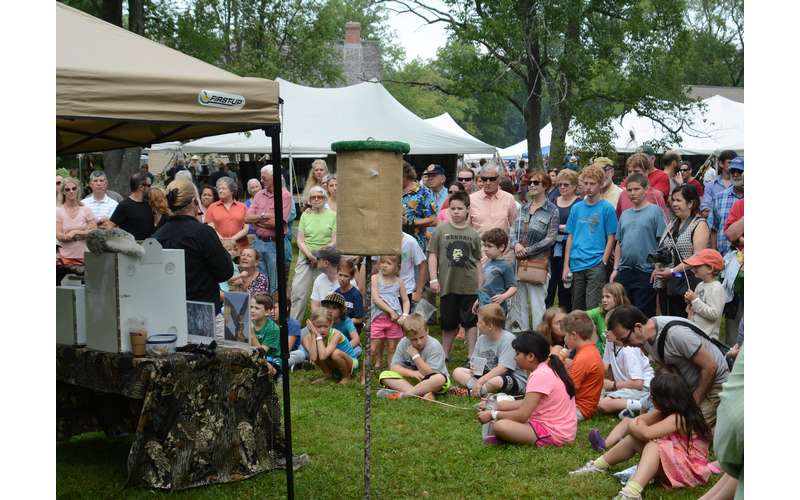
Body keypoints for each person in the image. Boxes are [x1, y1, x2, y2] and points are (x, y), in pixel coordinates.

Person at [571, 371, 715, 500]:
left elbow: (645, 432)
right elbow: (636, 424)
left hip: (688, 472)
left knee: (654, 445)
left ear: (665, 399)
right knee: (635, 439)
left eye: (653, 396)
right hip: (675, 464)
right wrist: (635, 425)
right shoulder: (663, 413)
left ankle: (633, 492)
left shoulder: (678, 418)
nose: (650, 398)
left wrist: (634, 425)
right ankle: (598, 465)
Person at [606, 305, 730, 428]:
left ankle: (722, 426)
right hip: (689, 387)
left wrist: (693, 405)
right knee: (664, 426)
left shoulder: (676, 334)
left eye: (626, 340)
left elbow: (711, 367)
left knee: (685, 432)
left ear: (638, 327)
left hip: (715, 385)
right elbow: (670, 370)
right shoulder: (646, 338)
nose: (625, 345)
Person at [153, 179, 233, 340]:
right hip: (202, 310)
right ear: (194, 201)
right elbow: (225, 272)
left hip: (169, 310)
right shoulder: (202, 233)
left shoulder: (158, 236)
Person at [475, 332, 577, 447]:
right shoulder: (546, 368)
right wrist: (495, 404)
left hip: (555, 433)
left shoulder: (540, 375)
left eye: (518, 354)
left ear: (530, 356)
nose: (515, 357)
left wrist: (492, 414)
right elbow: (527, 403)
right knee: (502, 410)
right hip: (560, 430)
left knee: (500, 426)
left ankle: (513, 437)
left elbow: (523, 415)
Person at [428, 191, 482, 357]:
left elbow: (478, 261)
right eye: (453, 208)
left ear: (467, 209)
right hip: (447, 285)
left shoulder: (473, 234)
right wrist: (433, 279)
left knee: (470, 322)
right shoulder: (440, 230)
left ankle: (471, 355)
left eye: (460, 208)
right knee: (448, 322)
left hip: (469, 286)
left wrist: (481, 286)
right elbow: (433, 254)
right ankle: (445, 353)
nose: (456, 211)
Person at [508, 169, 559, 332]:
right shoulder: (523, 208)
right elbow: (512, 230)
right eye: (529, 182)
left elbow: (551, 238)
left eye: (535, 183)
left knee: (538, 305)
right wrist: (515, 245)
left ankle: (540, 339)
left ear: (545, 186)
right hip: (518, 263)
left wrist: (527, 250)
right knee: (518, 303)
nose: (531, 185)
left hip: (539, 263)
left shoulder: (552, 210)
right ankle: (521, 337)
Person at [611, 172, 667, 317]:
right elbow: (619, 243)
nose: (632, 193)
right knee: (622, 313)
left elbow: (662, 242)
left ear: (646, 189)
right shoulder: (625, 214)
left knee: (641, 313)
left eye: (636, 189)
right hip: (625, 270)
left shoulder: (655, 211)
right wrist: (615, 268)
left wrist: (657, 266)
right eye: (629, 190)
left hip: (646, 271)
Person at [563, 165, 618, 311]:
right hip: (576, 262)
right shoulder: (576, 208)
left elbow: (611, 238)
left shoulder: (607, 208)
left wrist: (604, 262)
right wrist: (566, 265)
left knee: (593, 307)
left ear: (601, 184)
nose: (588, 187)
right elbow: (570, 236)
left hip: (596, 263)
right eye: (585, 183)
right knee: (577, 306)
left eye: (592, 183)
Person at [652, 184, 710, 317]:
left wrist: (673, 271)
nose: (674, 204)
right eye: (673, 200)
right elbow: (662, 249)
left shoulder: (699, 224)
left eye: (678, 200)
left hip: (686, 285)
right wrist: (657, 267)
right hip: (667, 285)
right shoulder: (672, 224)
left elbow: (697, 256)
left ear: (690, 203)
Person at [452, 304, 528, 397]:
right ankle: (483, 390)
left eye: (479, 322)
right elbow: (475, 361)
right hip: (488, 375)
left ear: (490, 326)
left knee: (496, 381)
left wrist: (481, 381)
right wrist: (473, 368)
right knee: (457, 371)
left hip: (510, 378)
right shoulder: (481, 339)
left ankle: (471, 392)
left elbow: (503, 368)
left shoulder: (508, 339)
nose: (477, 324)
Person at [376, 312, 451, 400]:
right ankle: (423, 394)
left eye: (422, 337)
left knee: (439, 379)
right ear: (407, 336)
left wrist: (415, 356)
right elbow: (394, 367)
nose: (419, 342)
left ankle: (404, 395)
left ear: (427, 331)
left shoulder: (434, 345)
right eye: (414, 339)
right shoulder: (403, 343)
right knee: (384, 375)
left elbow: (429, 374)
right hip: (412, 381)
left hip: (433, 381)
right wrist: (412, 373)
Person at [246, 164, 293, 294]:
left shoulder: (285, 196)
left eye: (264, 178)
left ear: (274, 178)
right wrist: (263, 216)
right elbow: (247, 218)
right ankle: (262, 309)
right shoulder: (259, 195)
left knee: (274, 284)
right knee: (260, 281)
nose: (261, 180)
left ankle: (272, 311)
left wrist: (257, 221)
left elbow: (277, 222)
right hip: (259, 243)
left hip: (275, 244)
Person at [597, 316, 655, 419]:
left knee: (603, 404)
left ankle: (647, 405)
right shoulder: (610, 342)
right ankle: (629, 409)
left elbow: (638, 383)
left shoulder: (629, 350)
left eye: (609, 329)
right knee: (596, 397)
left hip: (644, 389)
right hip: (626, 387)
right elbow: (605, 367)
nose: (606, 332)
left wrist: (613, 385)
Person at [558, 310, 605, 422]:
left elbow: (569, 389)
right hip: (582, 406)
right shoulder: (591, 350)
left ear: (573, 335)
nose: (563, 339)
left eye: (565, 335)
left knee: (537, 411)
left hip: (578, 409)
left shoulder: (584, 357)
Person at [546, 169, 581, 310]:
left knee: (565, 286)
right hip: (552, 247)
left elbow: (578, 227)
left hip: (570, 248)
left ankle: (565, 318)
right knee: (549, 285)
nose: (562, 188)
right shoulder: (553, 201)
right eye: (560, 185)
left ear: (574, 186)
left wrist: (561, 227)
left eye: (566, 185)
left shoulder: (578, 203)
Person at [469, 163, 518, 261]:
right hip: (479, 257)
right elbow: (467, 229)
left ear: (499, 179)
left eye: (492, 179)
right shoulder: (471, 199)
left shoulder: (509, 199)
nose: (487, 182)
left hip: (504, 257)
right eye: (484, 178)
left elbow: (515, 227)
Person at [370, 255, 411, 371]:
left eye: (388, 263)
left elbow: (406, 300)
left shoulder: (399, 282)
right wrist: (391, 311)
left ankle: (390, 373)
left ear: (397, 267)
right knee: (373, 348)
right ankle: (365, 375)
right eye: (382, 262)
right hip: (378, 319)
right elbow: (376, 299)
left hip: (394, 321)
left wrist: (405, 315)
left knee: (392, 348)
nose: (384, 265)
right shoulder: (375, 278)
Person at [303, 308, 358, 384]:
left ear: (331, 324)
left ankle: (346, 377)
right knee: (319, 350)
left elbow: (323, 356)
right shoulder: (312, 336)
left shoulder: (336, 334)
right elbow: (313, 357)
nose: (322, 330)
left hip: (350, 363)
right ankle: (328, 375)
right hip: (334, 363)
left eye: (325, 326)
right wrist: (313, 334)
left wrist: (318, 336)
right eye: (319, 327)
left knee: (335, 353)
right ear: (313, 325)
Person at [683, 249, 726, 340]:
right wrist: (690, 302)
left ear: (710, 269)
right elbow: (696, 309)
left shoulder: (717, 288)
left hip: (707, 338)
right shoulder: (700, 285)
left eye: (697, 266)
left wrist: (695, 300)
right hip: (695, 334)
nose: (693, 269)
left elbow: (714, 314)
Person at [473, 228, 517, 316]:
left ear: (501, 247)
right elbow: (485, 286)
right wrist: (478, 300)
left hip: (497, 309)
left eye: (489, 246)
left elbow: (514, 287)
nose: (485, 249)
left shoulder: (506, 266)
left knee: (496, 329)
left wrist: (503, 296)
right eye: (484, 246)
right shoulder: (487, 263)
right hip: (483, 306)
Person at [616, 153, 670, 220]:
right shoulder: (623, 195)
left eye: (636, 171)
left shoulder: (656, 196)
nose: (632, 175)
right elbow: (619, 221)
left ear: (646, 172)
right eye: (629, 172)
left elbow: (664, 223)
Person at [707, 157, 744, 257]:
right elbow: (713, 228)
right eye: (732, 171)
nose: (735, 174)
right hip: (723, 258)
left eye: (739, 171)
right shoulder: (719, 197)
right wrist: (715, 255)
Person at [56, 177, 97, 266]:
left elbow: (94, 231)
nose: (71, 191)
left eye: (74, 188)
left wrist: (75, 232)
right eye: (67, 189)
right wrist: (84, 233)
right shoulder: (58, 211)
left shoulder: (86, 210)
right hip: (65, 258)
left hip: (86, 257)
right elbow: (59, 235)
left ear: (77, 189)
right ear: (63, 192)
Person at [401, 161, 437, 252]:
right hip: (390, 247)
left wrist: (410, 222)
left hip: (414, 247)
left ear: (405, 174)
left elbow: (433, 220)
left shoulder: (424, 192)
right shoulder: (390, 190)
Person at [204, 177, 249, 250]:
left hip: (241, 247)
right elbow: (210, 227)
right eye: (218, 189)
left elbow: (247, 227)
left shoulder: (242, 206)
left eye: (223, 188)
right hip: (219, 247)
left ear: (231, 191)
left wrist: (232, 239)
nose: (220, 191)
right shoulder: (212, 207)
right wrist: (223, 240)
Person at [586, 282, 630, 355]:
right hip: (603, 354)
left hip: (621, 355)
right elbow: (580, 315)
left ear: (618, 298)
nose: (604, 300)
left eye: (607, 297)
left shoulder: (627, 315)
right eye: (603, 297)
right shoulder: (600, 312)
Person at [109, 171, 154, 240]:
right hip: (130, 248)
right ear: (141, 187)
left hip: (148, 246)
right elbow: (110, 226)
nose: (150, 189)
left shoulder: (149, 204)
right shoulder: (124, 205)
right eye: (149, 185)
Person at [321, 292, 361, 358]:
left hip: (346, 347)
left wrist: (343, 349)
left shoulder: (347, 321)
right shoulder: (323, 321)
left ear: (341, 310)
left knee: (357, 350)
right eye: (328, 307)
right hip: (329, 349)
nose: (330, 311)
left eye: (334, 308)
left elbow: (356, 340)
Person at [249, 293, 281, 376]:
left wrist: (252, 335)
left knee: (261, 366)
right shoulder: (249, 323)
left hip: (272, 359)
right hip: (253, 355)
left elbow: (262, 353)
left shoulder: (273, 329)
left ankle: (277, 376)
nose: (252, 310)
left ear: (267, 312)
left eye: (257, 308)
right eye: (251, 307)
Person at [701, 149, 737, 217]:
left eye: (735, 163)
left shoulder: (741, 185)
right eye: (729, 162)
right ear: (721, 164)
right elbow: (705, 210)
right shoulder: (711, 185)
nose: (733, 165)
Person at [307, 246, 344, 312]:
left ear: (326, 263)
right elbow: (314, 307)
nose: (316, 259)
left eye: (318, 258)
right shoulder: (319, 279)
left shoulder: (346, 282)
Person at [334, 259, 365, 331]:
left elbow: (360, 319)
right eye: (340, 275)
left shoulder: (356, 295)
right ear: (337, 274)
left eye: (346, 276)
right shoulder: (336, 293)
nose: (342, 279)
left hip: (352, 329)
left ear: (351, 277)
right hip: (337, 328)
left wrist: (344, 322)